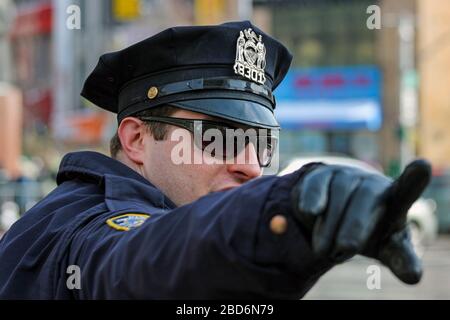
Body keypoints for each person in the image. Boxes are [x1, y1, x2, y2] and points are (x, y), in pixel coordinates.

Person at [0, 21, 431, 299]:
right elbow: (144, 261)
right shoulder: (86, 228)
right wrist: (280, 212)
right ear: (135, 138)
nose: (252, 166)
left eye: (262, 144)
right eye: (219, 137)